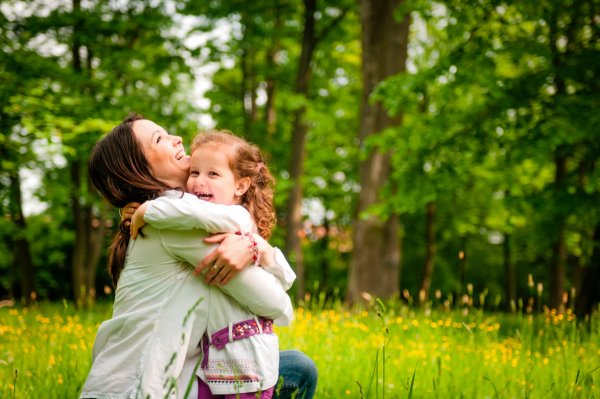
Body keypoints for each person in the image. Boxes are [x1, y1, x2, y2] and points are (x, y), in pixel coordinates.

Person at [80, 114, 317, 399]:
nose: (176, 138)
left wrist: (257, 246)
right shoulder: (172, 224)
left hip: (162, 379)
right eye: (159, 139)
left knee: (294, 366)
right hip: (136, 390)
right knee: (299, 368)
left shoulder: (166, 214)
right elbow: (278, 306)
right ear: (139, 170)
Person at [128, 130, 288, 398]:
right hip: (213, 360)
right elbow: (189, 210)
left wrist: (149, 210)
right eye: (195, 173)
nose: (198, 182)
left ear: (240, 186)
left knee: (296, 370)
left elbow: (279, 302)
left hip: (248, 361)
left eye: (212, 174)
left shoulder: (230, 217)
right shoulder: (194, 218)